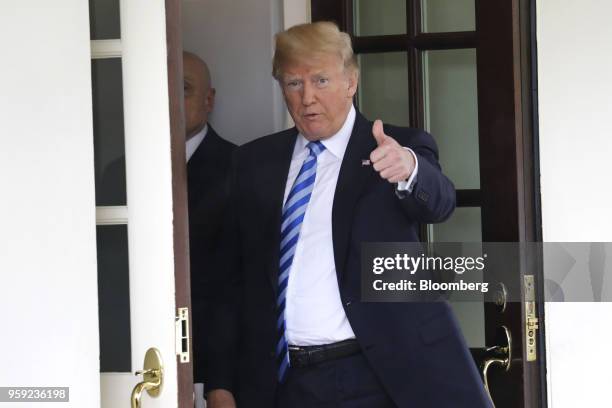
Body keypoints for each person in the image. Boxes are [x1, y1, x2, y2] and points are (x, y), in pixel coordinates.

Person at [205, 22, 490, 408]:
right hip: (278, 382)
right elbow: (229, 281)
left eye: (321, 80)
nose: (307, 98)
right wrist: (219, 384)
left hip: (372, 376)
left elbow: (440, 202)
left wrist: (408, 169)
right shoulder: (253, 162)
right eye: (293, 83)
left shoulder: (396, 147)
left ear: (351, 82)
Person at [100, 51, 235, 395]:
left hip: (211, 364)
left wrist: (223, 383)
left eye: (184, 88)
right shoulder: (118, 173)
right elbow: (108, 277)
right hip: (130, 363)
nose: (172, 98)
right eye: (164, 88)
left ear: (209, 100)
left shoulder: (240, 168)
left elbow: (239, 289)